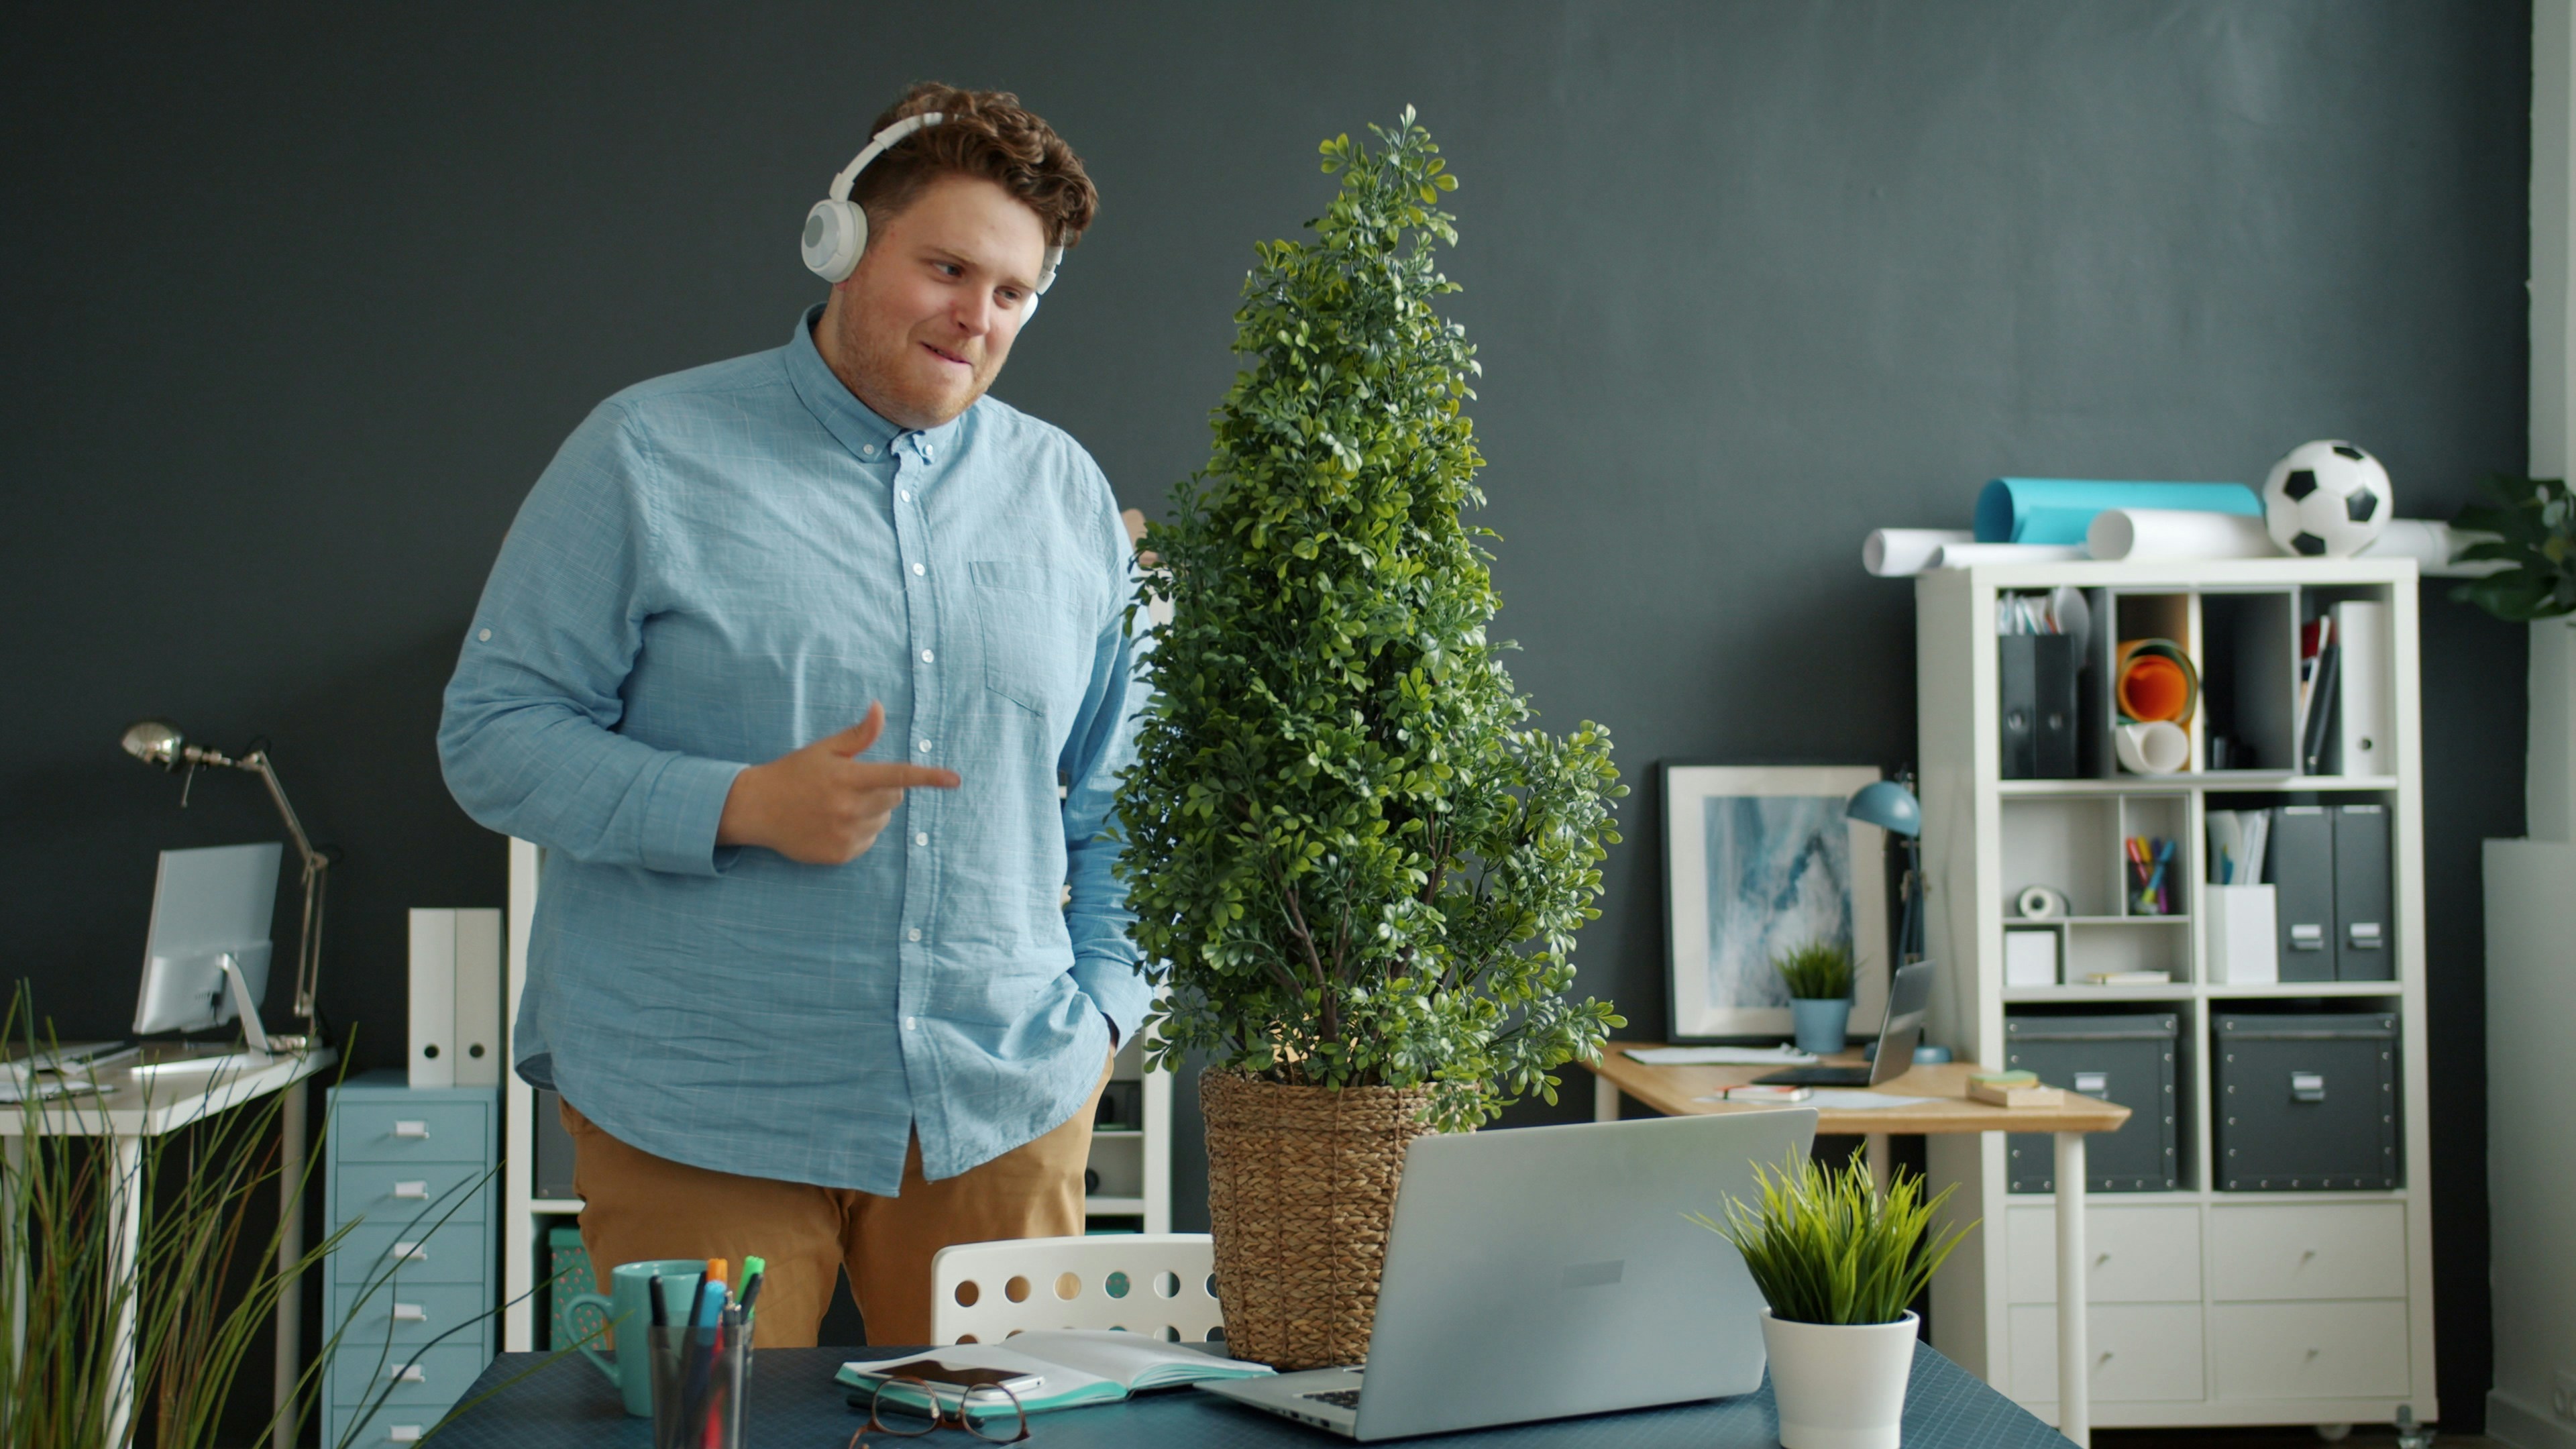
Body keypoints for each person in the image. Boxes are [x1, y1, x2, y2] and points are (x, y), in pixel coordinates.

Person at [437, 81, 1148, 1348]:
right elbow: (493, 732)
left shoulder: (1067, 494)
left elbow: (1124, 804)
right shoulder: (645, 453)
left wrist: (1098, 1013)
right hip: (703, 1103)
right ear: (842, 243)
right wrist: (742, 805)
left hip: (999, 1107)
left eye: (1012, 294)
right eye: (947, 267)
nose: (976, 318)